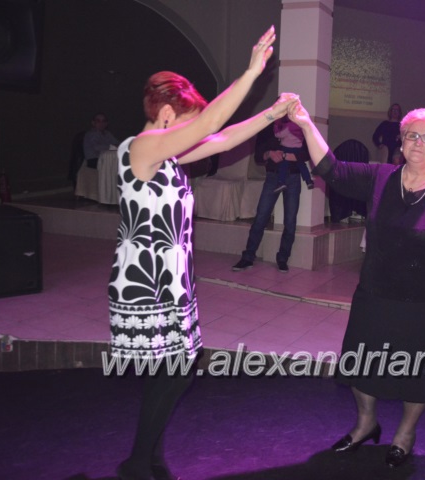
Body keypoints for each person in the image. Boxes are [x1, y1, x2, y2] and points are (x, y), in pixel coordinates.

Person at [107, 27, 297, 480]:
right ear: (167, 114)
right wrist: (251, 73)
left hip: (172, 282)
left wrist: (272, 113)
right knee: (174, 372)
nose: (193, 130)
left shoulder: (168, 155)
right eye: (187, 121)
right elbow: (211, 125)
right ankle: (138, 464)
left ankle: (149, 459)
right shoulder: (140, 148)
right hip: (147, 283)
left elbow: (223, 138)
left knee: (175, 372)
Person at [288, 102, 425, 468]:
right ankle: (365, 423)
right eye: (412, 135)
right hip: (376, 292)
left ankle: (405, 434)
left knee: (417, 371)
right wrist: (305, 123)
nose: (418, 143)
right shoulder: (380, 176)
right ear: (401, 139)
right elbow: (332, 169)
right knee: (361, 364)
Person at [230, 116, 311, 274]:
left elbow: (307, 152)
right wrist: (269, 154)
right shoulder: (267, 127)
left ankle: (283, 258)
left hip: (293, 176)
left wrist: (293, 156)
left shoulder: (297, 125)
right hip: (273, 176)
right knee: (261, 216)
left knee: (290, 220)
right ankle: (248, 257)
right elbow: (258, 156)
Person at [271, 115, 314, 193]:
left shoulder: (288, 126)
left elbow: (279, 135)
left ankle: (281, 182)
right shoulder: (300, 127)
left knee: (283, 165)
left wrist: (276, 127)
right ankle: (308, 181)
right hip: (298, 148)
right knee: (301, 165)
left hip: (287, 148)